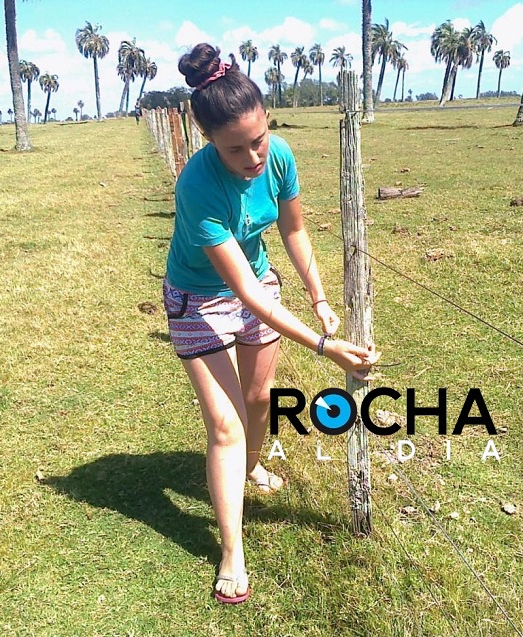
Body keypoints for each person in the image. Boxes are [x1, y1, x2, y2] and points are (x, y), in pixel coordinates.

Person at [163, 44, 379, 604]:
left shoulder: (279, 156)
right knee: (226, 424)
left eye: (258, 138)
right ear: (208, 138)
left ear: (267, 121)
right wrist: (325, 346)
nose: (253, 156)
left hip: (259, 282)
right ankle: (231, 550)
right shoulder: (196, 187)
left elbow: (293, 231)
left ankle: (250, 469)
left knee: (258, 400)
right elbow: (245, 295)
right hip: (199, 298)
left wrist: (319, 298)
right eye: (236, 148)